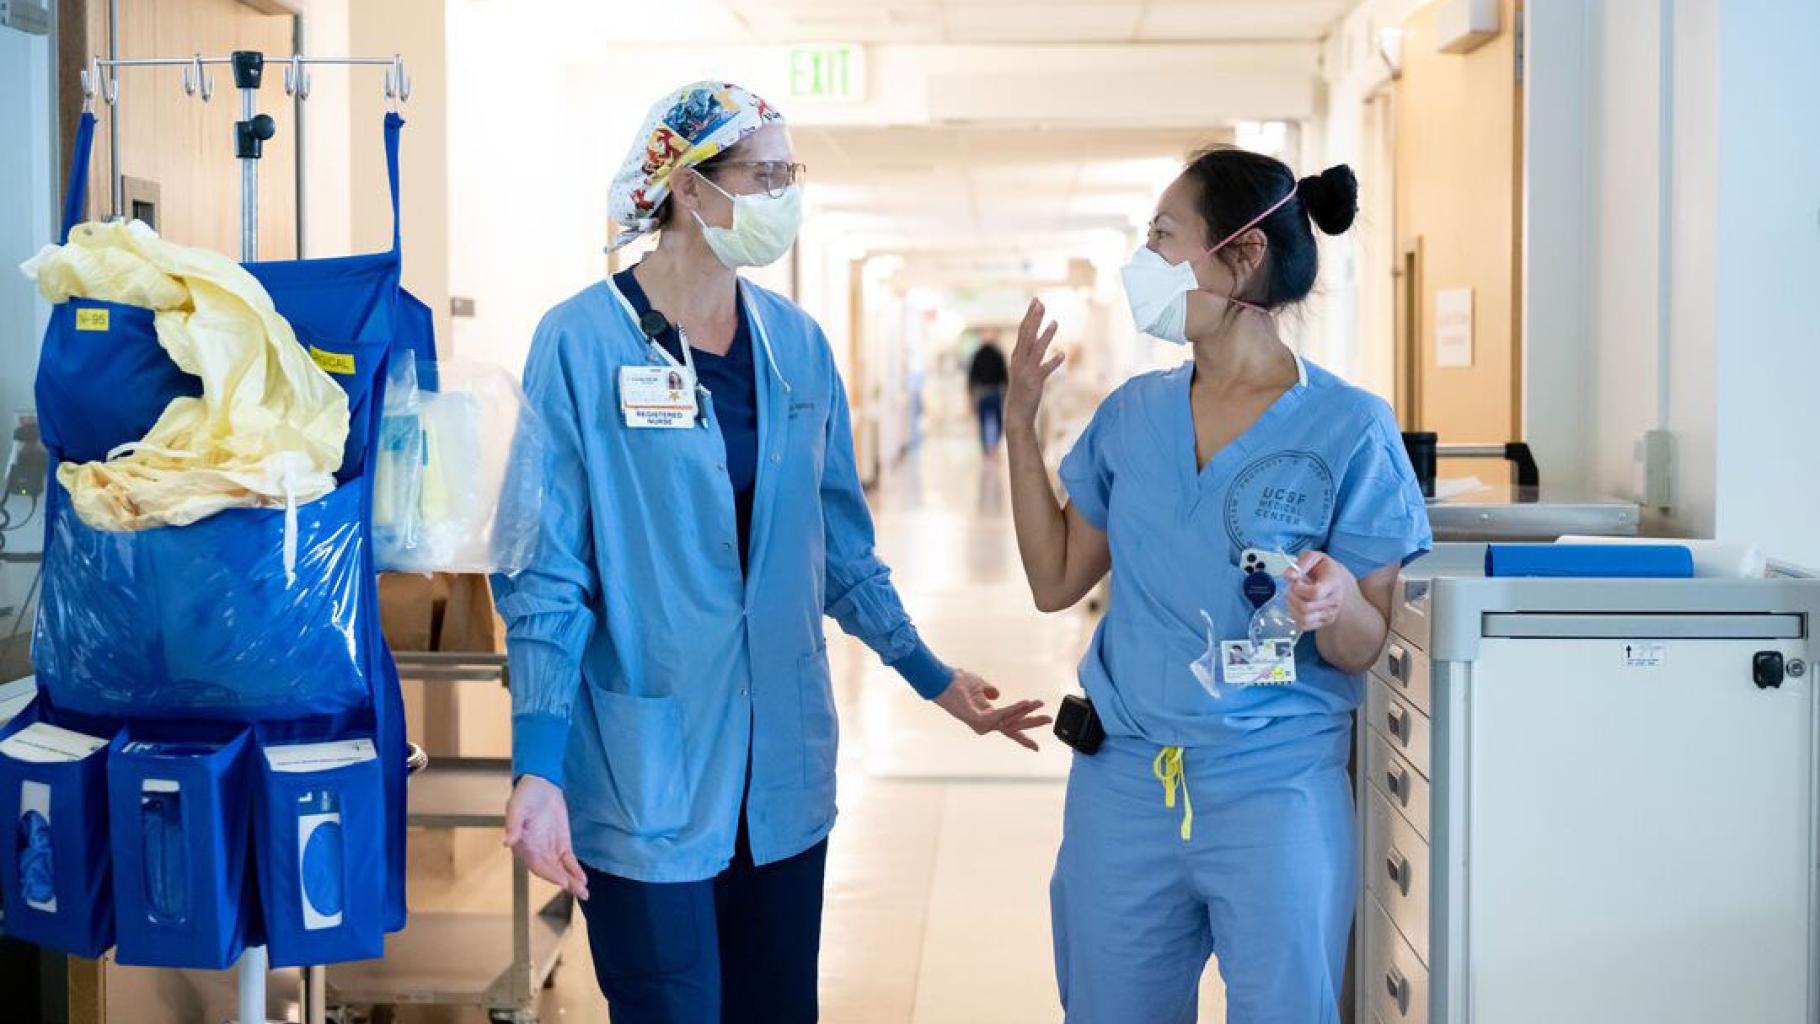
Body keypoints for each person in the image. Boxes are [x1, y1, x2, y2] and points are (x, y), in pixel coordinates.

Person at [493, 82, 1051, 1024]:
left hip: (783, 771)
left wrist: (929, 674)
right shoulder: (581, 342)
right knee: (673, 1008)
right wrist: (537, 765)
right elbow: (546, 573)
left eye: (790, 174)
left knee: (779, 1007)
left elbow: (837, 547)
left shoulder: (795, 346)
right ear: (688, 187)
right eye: (764, 174)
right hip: (648, 768)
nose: (784, 194)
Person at [1003, 148, 1432, 1023]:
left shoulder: (1350, 428)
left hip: (1272, 790)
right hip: (1124, 786)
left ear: (1242, 257)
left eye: (1165, 236)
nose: (1145, 259)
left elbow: (1367, 640)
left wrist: (1337, 601)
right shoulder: (1132, 414)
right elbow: (1054, 582)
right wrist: (1018, 427)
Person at [966, 332, 1010, 454]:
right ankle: (995, 445)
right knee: (998, 420)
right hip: (995, 392)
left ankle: (986, 448)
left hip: (982, 393)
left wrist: (970, 392)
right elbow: (1004, 375)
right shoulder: (997, 354)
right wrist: (1006, 391)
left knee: (983, 421)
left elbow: (972, 376)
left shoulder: (978, 354)